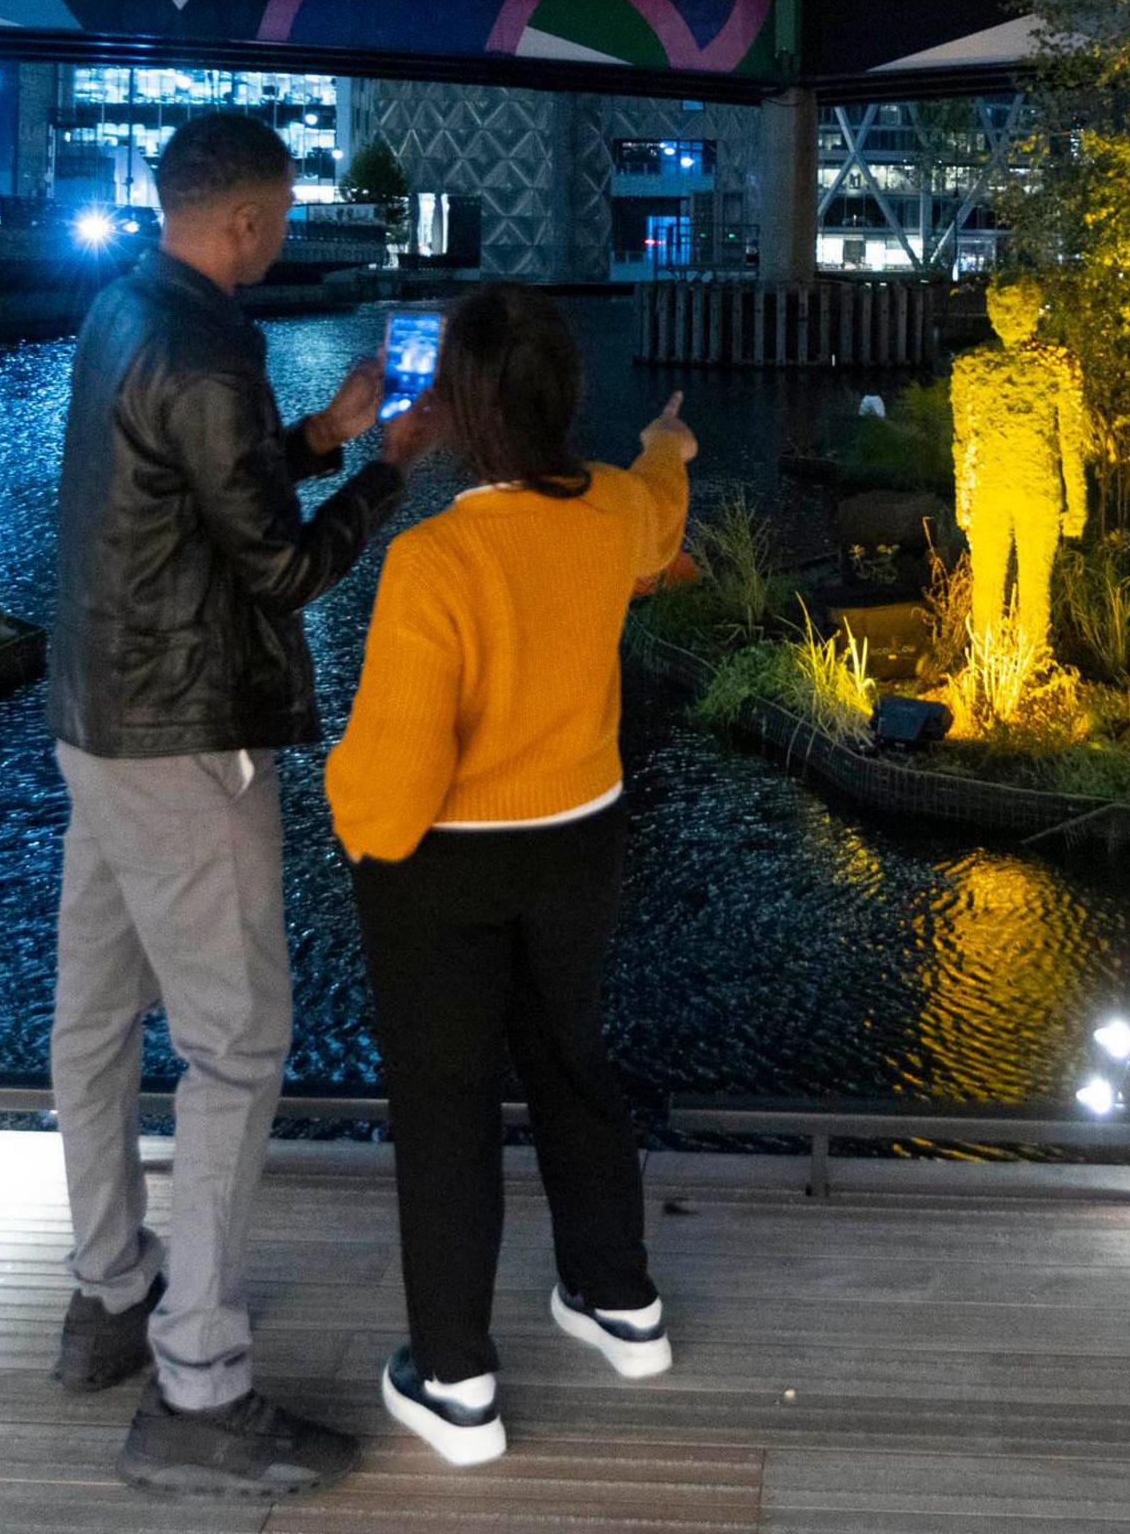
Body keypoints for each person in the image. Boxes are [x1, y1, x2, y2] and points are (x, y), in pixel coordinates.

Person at [44, 112, 424, 1501]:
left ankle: (110, 1300)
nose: (278, 229)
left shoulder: (126, 306)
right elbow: (278, 569)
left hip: (94, 714)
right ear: (252, 223)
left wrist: (320, 431)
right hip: (184, 738)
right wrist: (388, 468)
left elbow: (201, 485)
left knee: (93, 1022)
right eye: (278, 212)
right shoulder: (210, 343)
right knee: (238, 1047)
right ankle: (198, 1385)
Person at [324, 285, 696, 1467]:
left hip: (449, 871)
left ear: (462, 410)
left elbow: (393, 792)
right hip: (581, 838)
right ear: (562, 397)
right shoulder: (613, 512)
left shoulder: (434, 561)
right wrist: (668, 443)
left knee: (447, 1109)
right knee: (574, 1067)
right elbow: (660, 521)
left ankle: (456, 1381)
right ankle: (619, 1301)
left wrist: (341, 810)